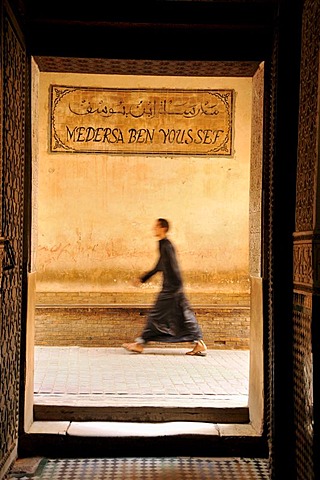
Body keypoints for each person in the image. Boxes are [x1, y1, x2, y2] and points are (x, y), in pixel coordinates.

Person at [122, 218, 207, 356]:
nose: (153, 229)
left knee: (157, 314)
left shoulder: (166, 245)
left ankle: (140, 343)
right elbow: (159, 266)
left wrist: (175, 288)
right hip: (173, 287)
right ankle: (199, 343)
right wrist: (143, 279)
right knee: (183, 315)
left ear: (163, 228)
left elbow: (173, 266)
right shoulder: (163, 244)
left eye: (156, 226)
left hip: (172, 288)